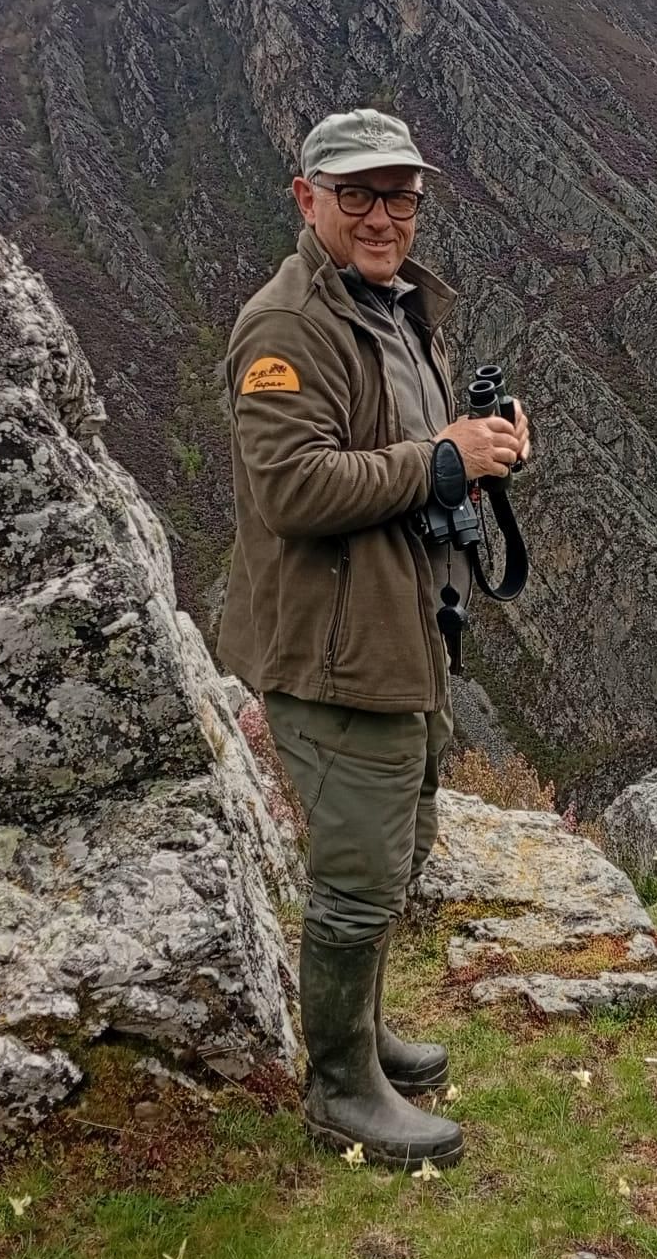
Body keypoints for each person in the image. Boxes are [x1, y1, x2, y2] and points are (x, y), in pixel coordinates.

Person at [218, 108, 530, 1169]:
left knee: (400, 844)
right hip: (334, 646)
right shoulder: (285, 327)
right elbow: (293, 487)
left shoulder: (395, 309)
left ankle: (364, 1031)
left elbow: (410, 449)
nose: (383, 215)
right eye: (357, 194)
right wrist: (442, 460)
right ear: (307, 198)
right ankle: (340, 1087)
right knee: (357, 868)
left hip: (403, 624)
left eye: (399, 195)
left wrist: (480, 452)